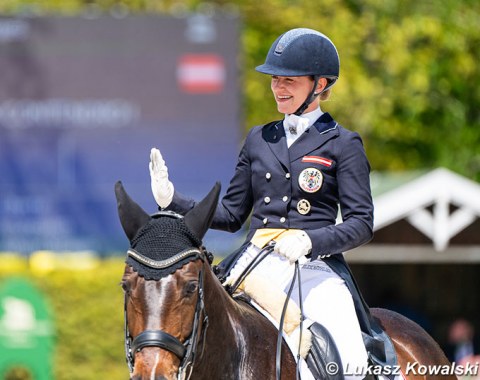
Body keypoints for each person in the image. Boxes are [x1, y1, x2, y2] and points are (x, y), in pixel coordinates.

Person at [149, 28, 393, 380]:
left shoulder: (343, 143)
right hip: (253, 261)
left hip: (313, 269)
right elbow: (232, 215)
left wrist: (311, 241)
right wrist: (173, 200)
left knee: (350, 356)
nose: (279, 87)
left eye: (290, 80)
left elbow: (361, 223)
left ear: (320, 84)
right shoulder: (260, 138)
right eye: (275, 79)